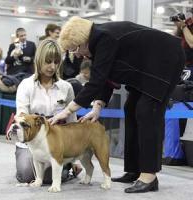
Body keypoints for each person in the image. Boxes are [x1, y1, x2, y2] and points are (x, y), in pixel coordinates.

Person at [49, 16, 185, 193]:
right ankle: (135, 169)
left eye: (75, 48)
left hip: (166, 60)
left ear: (83, 40)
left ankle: (149, 175)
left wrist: (66, 111)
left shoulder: (105, 38)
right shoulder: (98, 42)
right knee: (130, 107)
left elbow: (95, 82)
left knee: (147, 111)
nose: (77, 54)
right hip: (147, 67)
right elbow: (106, 78)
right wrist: (97, 107)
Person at [15, 39, 81, 184]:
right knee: (27, 175)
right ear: (39, 60)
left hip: (59, 143)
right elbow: (21, 117)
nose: (52, 67)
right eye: (48, 61)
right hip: (30, 143)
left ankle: (68, 165)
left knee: (54, 178)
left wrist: (77, 158)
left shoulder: (66, 87)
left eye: (56, 62)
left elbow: (72, 122)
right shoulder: (25, 85)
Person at [174, 16, 193, 81]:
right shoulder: (188, 22)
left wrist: (184, 27)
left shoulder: (186, 26)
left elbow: (192, 43)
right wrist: (179, 27)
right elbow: (176, 37)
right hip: (183, 64)